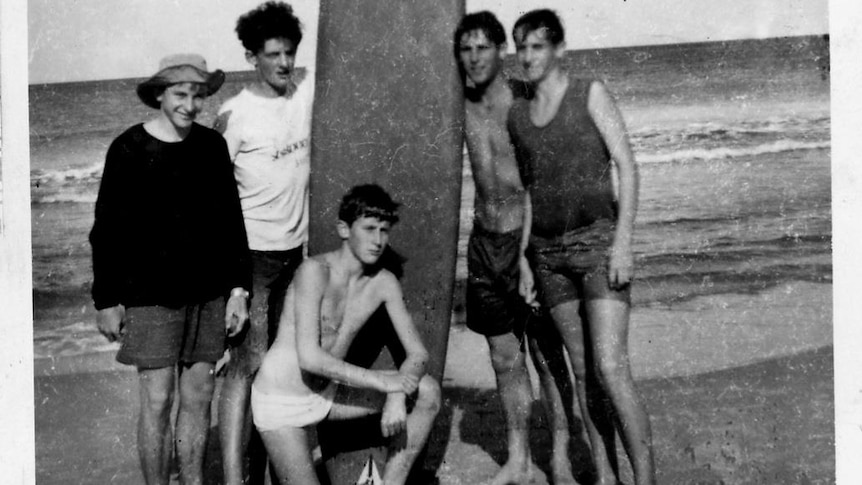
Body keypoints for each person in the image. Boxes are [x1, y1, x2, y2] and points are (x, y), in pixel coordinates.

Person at [507, 9, 656, 485]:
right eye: (521, 46)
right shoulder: (517, 115)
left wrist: (623, 244)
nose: (526, 56)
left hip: (597, 245)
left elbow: (627, 168)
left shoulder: (589, 92)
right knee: (582, 372)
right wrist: (527, 261)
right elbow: (528, 192)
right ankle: (607, 478)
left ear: (559, 50)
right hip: (547, 257)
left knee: (611, 369)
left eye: (536, 46)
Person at [90, 53, 251, 485]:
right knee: (158, 401)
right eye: (181, 93)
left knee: (200, 399)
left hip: (209, 293)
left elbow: (230, 223)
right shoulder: (128, 147)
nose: (190, 104)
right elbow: (106, 231)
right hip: (149, 296)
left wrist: (239, 290)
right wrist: (106, 300)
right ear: (160, 95)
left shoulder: (211, 146)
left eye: (198, 95)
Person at [455, 11, 584, 485]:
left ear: (499, 50)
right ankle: (518, 460)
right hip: (485, 242)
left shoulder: (523, 99)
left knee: (548, 358)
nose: (473, 57)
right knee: (504, 359)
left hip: (526, 242)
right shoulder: (455, 106)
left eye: (483, 47)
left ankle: (562, 458)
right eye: (465, 49)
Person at [251, 184, 441, 485]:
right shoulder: (313, 271)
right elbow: (310, 357)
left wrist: (396, 392)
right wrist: (384, 382)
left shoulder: (384, 283)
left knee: (427, 392)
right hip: (281, 402)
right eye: (369, 229)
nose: (378, 240)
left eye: (384, 230)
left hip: (326, 397)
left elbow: (418, 354)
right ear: (343, 229)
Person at [212, 3, 313, 483]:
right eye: (273, 55)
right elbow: (210, 194)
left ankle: (276, 468)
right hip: (251, 259)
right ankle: (234, 478)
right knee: (246, 366)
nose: (284, 64)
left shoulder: (305, 93)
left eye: (290, 53)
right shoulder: (234, 114)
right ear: (252, 56)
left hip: (296, 255)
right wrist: (230, 282)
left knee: (282, 366)